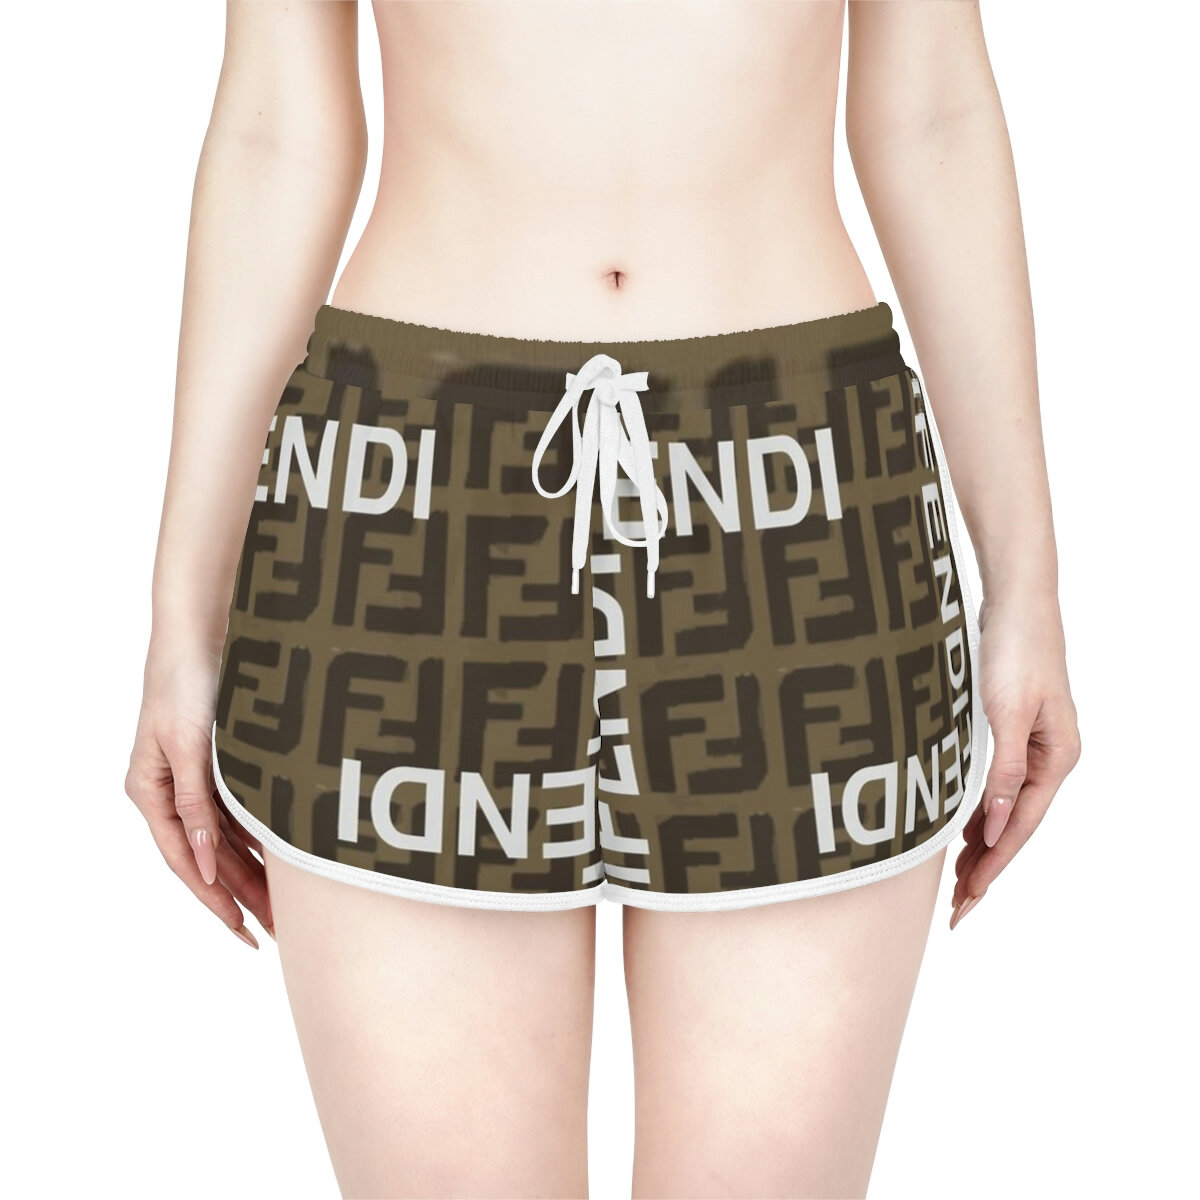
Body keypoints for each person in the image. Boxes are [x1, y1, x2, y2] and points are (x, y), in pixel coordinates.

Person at [124, 2, 1081, 1196]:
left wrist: (1027, 582)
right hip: (413, 488)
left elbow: (932, 109)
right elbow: (278, 129)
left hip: (800, 485)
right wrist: (181, 618)